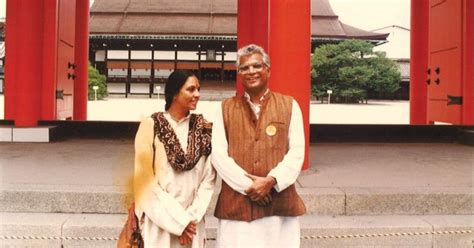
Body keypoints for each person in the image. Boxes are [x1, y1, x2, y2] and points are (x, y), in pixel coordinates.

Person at [211, 44, 306, 248]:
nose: (251, 72)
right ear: (238, 73)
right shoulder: (224, 108)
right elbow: (218, 154)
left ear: (268, 70)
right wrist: (251, 187)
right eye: (244, 68)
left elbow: (297, 152)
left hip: (278, 205)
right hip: (236, 205)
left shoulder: (289, 105)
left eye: (256, 66)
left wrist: (271, 181)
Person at [133, 70, 216, 247]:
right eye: (191, 89)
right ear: (174, 93)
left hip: (193, 223)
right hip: (159, 221)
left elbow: (208, 179)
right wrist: (179, 223)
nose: (197, 95)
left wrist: (190, 221)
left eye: (198, 89)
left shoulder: (203, 128)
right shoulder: (151, 125)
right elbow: (145, 181)